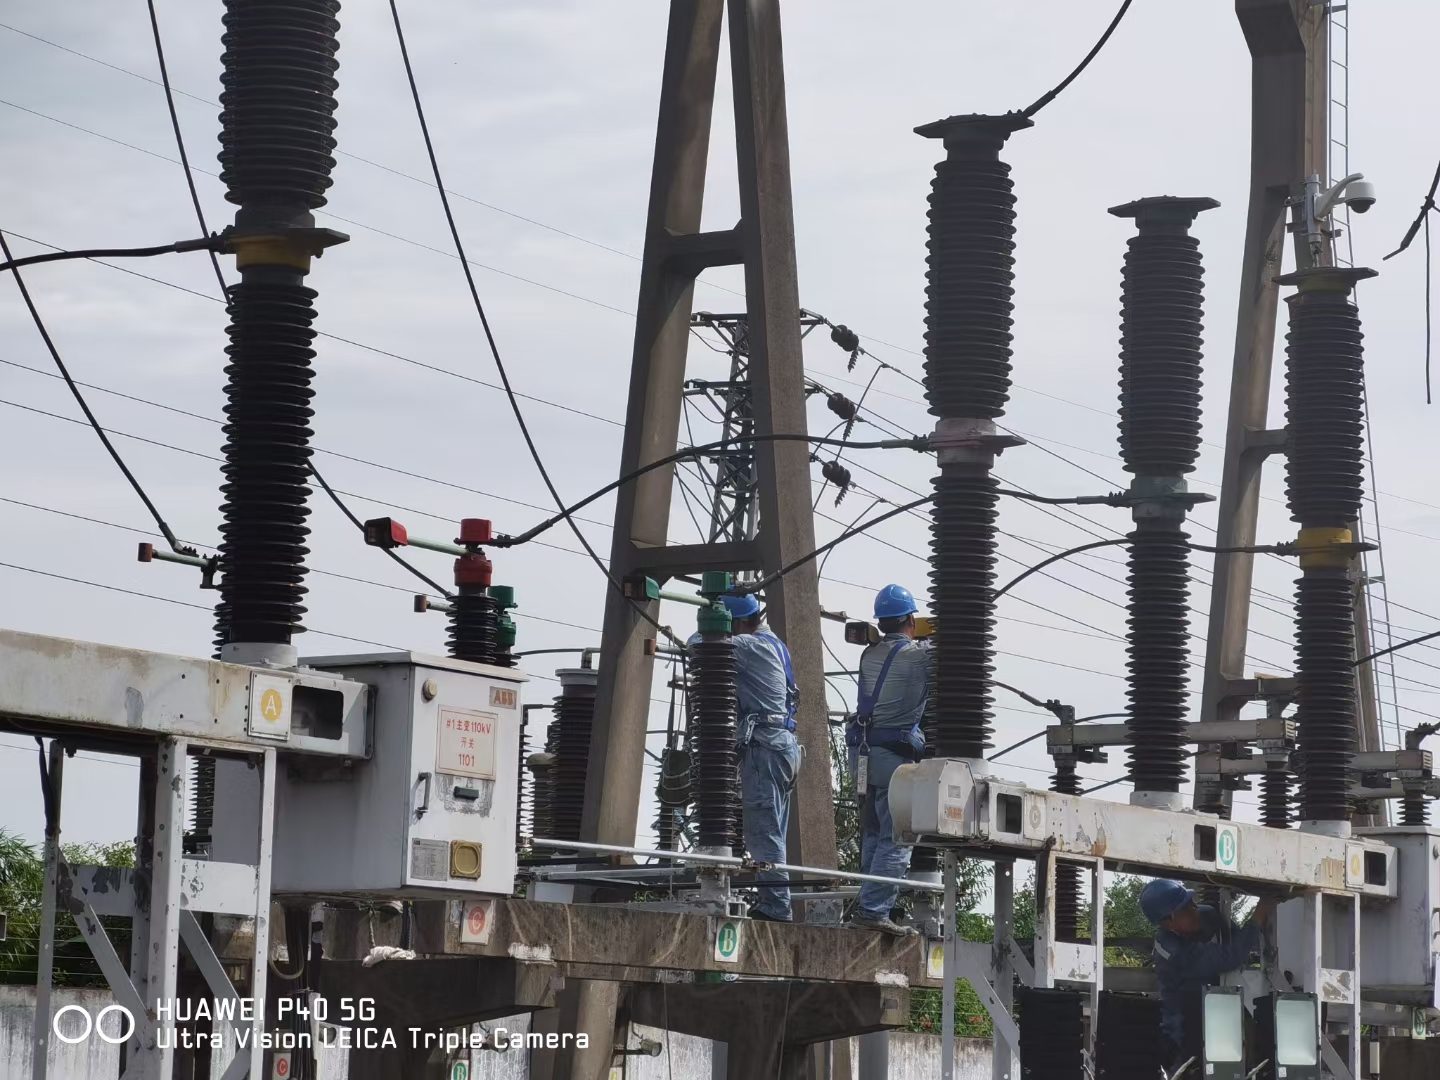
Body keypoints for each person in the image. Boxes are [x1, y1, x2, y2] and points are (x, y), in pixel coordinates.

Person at [688, 593, 802, 921]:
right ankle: (774, 901)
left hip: (765, 748)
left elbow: (701, 643)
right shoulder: (773, 642)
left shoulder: (750, 647)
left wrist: (712, 623)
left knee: (763, 832)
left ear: (738, 623)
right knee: (773, 832)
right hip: (782, 745)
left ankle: (776, 909)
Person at [846, 584, 930, 935]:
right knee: (898, 837)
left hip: (862, 754)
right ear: (911, 618)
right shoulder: (920, 656)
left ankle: (869, 906)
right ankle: (874, 910)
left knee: (874, 832)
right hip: (893, 757)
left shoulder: (869, 654)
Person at [1140, 879, 1276, 1070]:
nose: (1195, 909)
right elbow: (1232, 956)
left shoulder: (1207, 915)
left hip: (1217, 1017)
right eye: (1186, 908)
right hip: (1184, 1033)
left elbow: (1241, 943)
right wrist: (1259, 914)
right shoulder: (1173, 951)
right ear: (1169, 921)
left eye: (1192, 902)